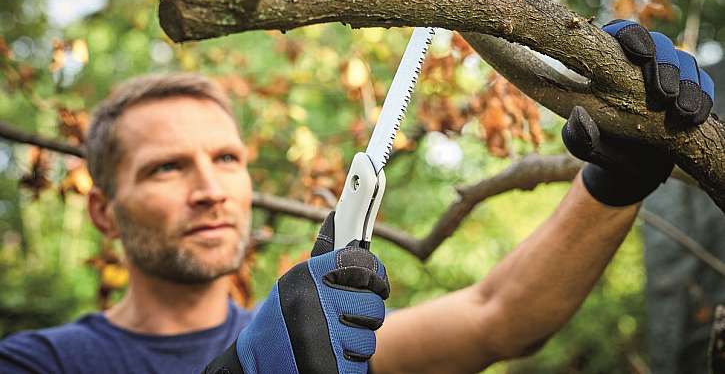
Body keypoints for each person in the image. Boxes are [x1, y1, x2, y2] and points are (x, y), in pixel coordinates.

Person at [0, 21, 716, 374]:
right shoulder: (41, 361)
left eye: (225, 157)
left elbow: (499, 315)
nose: (210, 186)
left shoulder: (309, 343)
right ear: (102, 208)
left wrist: (618, 176)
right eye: (166, 168)